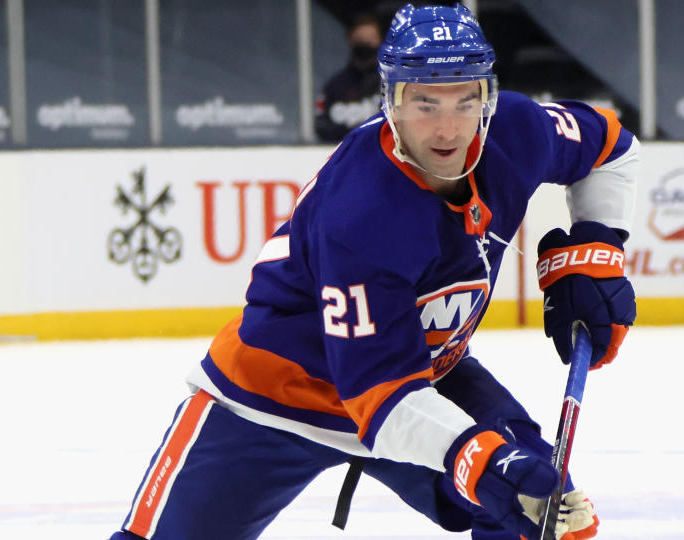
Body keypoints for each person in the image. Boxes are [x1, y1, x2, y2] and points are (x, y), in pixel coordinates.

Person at [109, 4, 638, 539]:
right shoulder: (361, 212)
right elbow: (380, 400)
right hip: (277, 393)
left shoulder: (515, 130)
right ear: (390, 102)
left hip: (422, 372)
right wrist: (476, 459)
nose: (448, 127)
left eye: (465, 99)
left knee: (535, 504)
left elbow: (612, 148)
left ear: (488, 96)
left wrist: (598, 247)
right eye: (424, 103)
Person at [313, 14, 383, 142]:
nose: (366, 45)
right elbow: (320, 125)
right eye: (360, 40)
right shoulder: (334, 87)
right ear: (350, 40)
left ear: (380, 40)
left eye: (370, 40)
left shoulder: (390, 84)